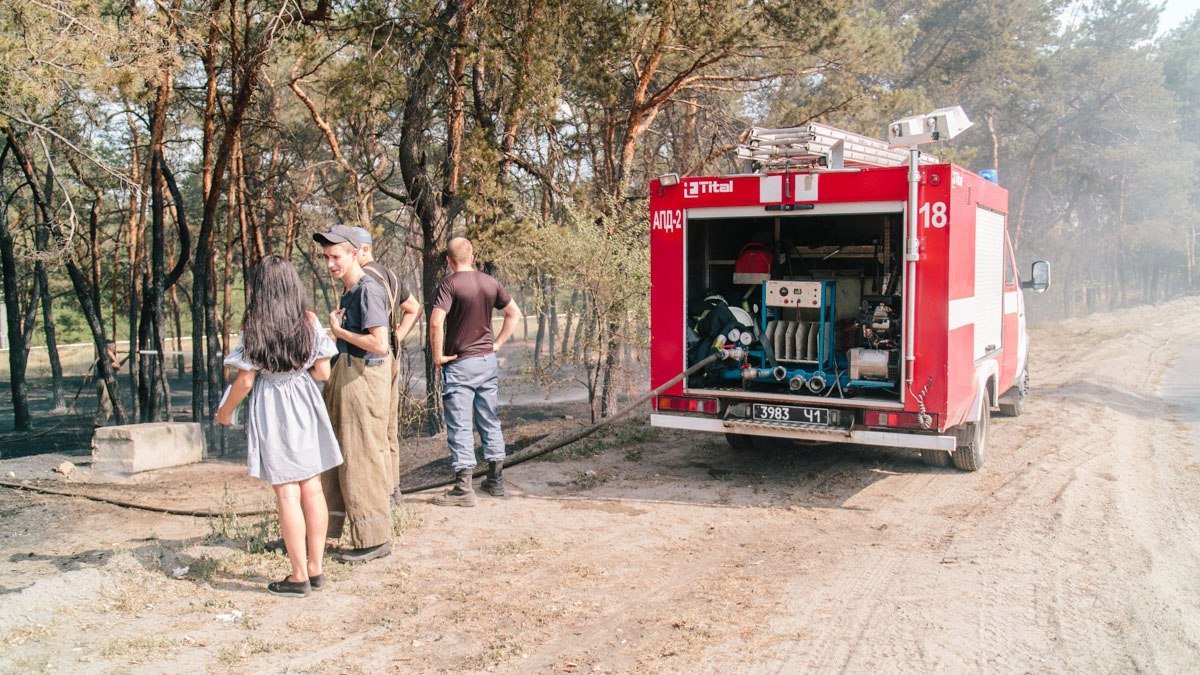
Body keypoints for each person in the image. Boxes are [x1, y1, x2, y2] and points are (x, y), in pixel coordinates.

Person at [215, 255, 342, 598]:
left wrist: (226, 412)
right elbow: (324, 373)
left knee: (287, 491)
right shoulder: (309, 321)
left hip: (273, 405)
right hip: (304, 401)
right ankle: (316, 569)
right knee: (312, 487)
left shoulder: (254, 327)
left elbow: (244, 382)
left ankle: (298, 575)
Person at [314, 225, 395, 562]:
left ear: (354, 253)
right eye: (326, 258)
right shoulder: (349, 291)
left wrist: (338, 330)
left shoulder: (367, 290)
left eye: (336, 256)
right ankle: (327, 530)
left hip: (364, 377)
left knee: (362, 456)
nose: (330, 264)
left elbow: (380, 343)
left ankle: (375, 539)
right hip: (347, 374)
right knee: (340, 455)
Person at [429, 237, 522, 507]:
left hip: (459, 363)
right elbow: (513, 313)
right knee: (489, 419)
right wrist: (498, 343)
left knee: (460, 424)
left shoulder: (449, 284)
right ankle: (496, 481)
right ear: (472, 256)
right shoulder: (490, 282)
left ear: (448, 260)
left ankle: (463, 489)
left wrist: (437, 356)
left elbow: (436, 322)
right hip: (486, 362)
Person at [350, 226, 422, 504]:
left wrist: (389, 339)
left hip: (372, 362)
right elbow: (413, 307)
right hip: (390, 356)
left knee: (373, 427)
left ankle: (381, 491)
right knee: (388, 427)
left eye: (352, 250)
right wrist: (397, 339)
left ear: (364, 250)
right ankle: (394, 489)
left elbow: (413, 308)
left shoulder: (364, 279)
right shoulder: (389, 274)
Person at [93, 340, 121, 427]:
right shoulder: (103, 359)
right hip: (103, 382)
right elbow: (118, 366)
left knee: (106, 405)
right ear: (108, 348)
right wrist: (111, 354)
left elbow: (116, 368)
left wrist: (128, 357)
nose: (114, 348)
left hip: (104, 382)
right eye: (113, 346)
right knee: (106, 406)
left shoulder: (107, 359)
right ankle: (99, 425)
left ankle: (99, 423)